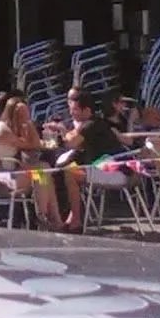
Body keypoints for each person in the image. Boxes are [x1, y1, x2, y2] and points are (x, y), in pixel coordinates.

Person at [0, 95, 61, 227]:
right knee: (42, 172)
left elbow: (30, 144)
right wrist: (29, 123)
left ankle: (51, 218)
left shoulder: (6, 129)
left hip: (5, 174)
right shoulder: (3, 132)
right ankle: (44, 216)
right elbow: (34, 144)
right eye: (23, 114)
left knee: (43, 170)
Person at [57, 93, 127, 230]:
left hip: (116, 171)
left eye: (75, 109)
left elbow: (71, 143)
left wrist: (60, 130)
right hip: (105, 168)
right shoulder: (91, 124)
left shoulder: (91, 125)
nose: (71, 113)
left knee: (70, 173)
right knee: (66, 169)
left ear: (87, 110)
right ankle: (69, 216)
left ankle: (75, 220)